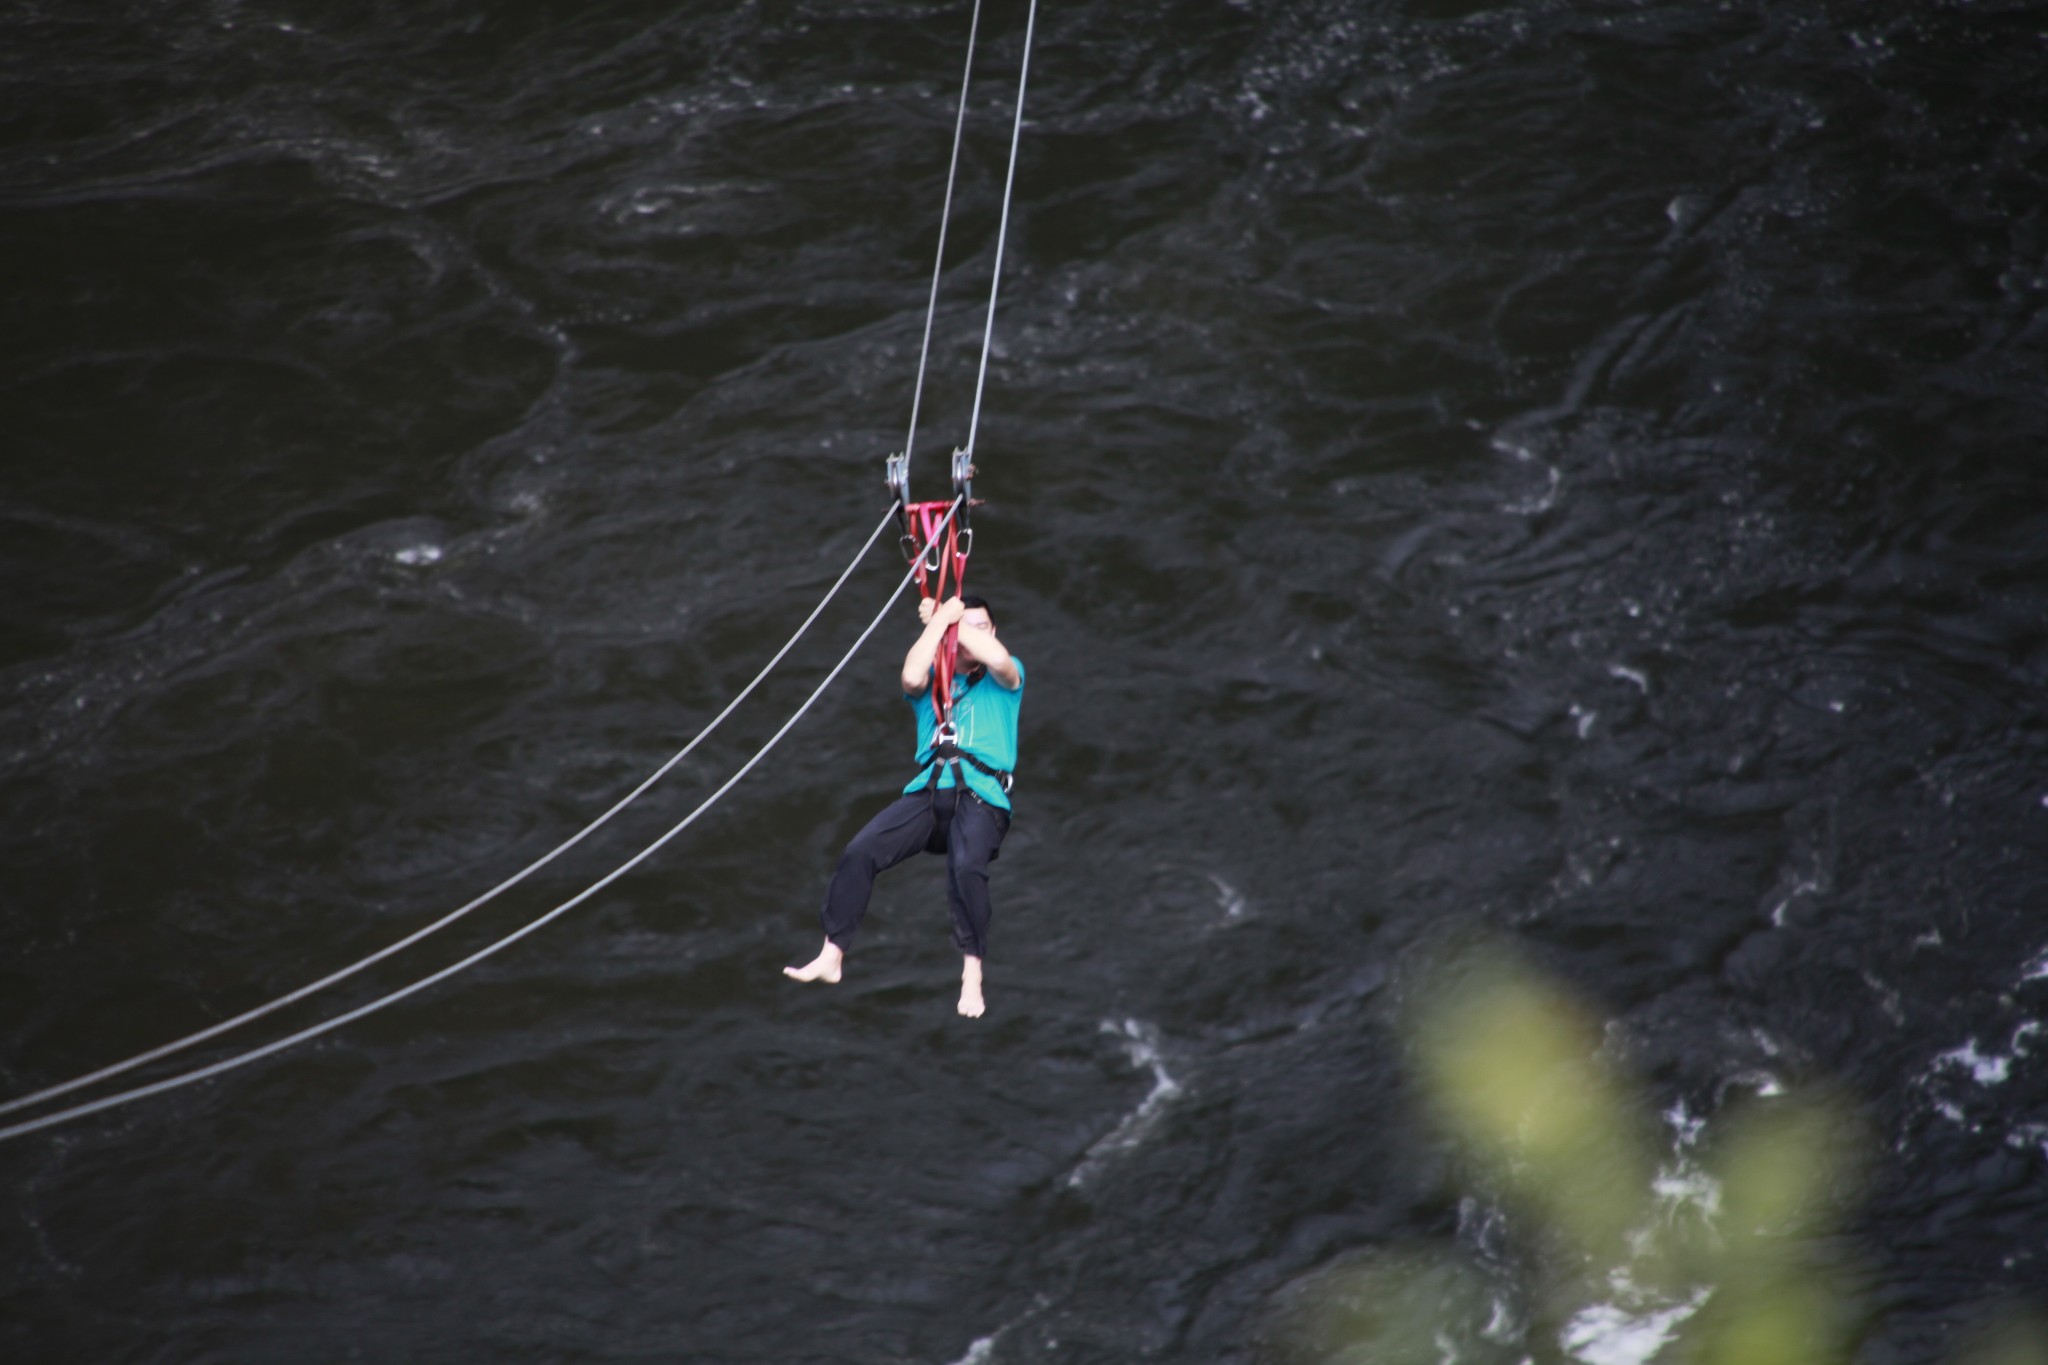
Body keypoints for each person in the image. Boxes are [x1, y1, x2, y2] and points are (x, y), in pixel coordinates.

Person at [784, 593, 1024, 1017]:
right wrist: (938, 626)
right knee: (862, 849)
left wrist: (951, 620)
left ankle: (972, 971)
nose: (970, 636)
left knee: (966, 865)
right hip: (930, 793)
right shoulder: (934, 679)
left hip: (982, 798)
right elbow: (911, 675)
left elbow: (998, 658)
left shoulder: (1006, 680)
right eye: (962, 628)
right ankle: (833, 953)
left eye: (980, 626)